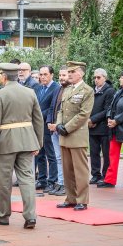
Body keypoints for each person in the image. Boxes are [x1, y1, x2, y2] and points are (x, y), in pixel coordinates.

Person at [0, 63, 43, 229]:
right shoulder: (30, 92)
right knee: (27, 180)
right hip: (27, 140)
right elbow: (38, 119)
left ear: (3, 77)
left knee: (4, 181)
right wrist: (38, 142)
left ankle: (3, 215)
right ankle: (30, 216)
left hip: (6, 142)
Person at [55, 61, 94, 211]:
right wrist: (59, 125)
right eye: (68, 72)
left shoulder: (87, 90)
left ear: (81, 73)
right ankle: (70, 198)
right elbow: (61, 111)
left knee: (80, 170)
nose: (69, 74)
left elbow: (84, 114)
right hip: (64, 135)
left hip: (76, 135)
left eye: (72, 72)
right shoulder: (67, 89)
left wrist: (67, 127)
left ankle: (82, 200)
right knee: (67, 170)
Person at [34, 65, 59, 192]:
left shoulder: (56, 88)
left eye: (45, 74)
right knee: (40, 154)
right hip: (38, 127)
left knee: (51, 154)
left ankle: (52, 180)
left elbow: (52, 107)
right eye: (41, 74)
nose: (42, 77)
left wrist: (37, 116)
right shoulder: (38, 88)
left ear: (51, 75)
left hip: (48, 125)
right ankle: (42, 179)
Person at [46, 66, 70, 196]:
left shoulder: (71, 90)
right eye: (60, 75)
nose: (61, 78)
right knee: (58, 158)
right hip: (54, 130)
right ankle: (60, 183)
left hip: (64, 130)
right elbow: (52, 107)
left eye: (64, 75)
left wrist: (58, 125)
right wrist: (49, 122)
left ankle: (65, 184)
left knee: (65, 158)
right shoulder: (58, 89)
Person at [88, 68, 115, 184]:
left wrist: (93, 120)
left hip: (103, 127)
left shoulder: (110, 91)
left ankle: (106, 175)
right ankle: (95, 175)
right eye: (94, 77)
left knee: (106, 153)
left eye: (98, 77)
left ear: (105, 78)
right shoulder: (91, 91)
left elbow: (107, 110)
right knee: (93, 153)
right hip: (91, 127)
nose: (96, 80)